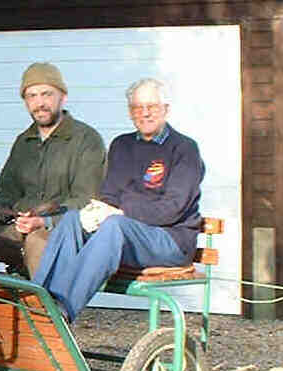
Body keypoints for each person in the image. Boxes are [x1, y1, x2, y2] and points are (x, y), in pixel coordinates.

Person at [31, 77, 205, 323]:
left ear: (166, 109)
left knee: (114, 226)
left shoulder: (185, 149)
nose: (144, 114)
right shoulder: (121, 145)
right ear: (130, 112)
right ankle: (38, 301)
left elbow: (172, 208)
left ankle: (62, 311)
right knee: (72, 220)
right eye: (137, 108)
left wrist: (119, 213)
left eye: (151, 107)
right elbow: (110, 196)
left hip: (170, 240)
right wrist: (96, 211)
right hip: (129, 235)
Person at [0, 62, 106, 277]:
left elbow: (87, 201)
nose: (40, 103)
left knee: (38, 241)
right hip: (19, 231)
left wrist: (43, 221)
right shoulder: (23, 142)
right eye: (32, 96)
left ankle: (47, 309)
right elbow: (8, 193)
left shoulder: (86, 139)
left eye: (46, 94)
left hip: (62, 233)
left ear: (62, 96)